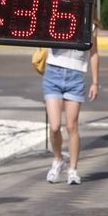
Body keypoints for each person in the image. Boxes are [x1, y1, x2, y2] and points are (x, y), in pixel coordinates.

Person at [42, 24, 100, 185]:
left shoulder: (91, 25)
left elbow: (94, 53)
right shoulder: (56, 16)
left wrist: (95, 82)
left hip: (76, 76)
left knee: (71, 126)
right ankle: (58, 159)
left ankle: (73, 169)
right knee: (54, 126)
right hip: (53, 72)